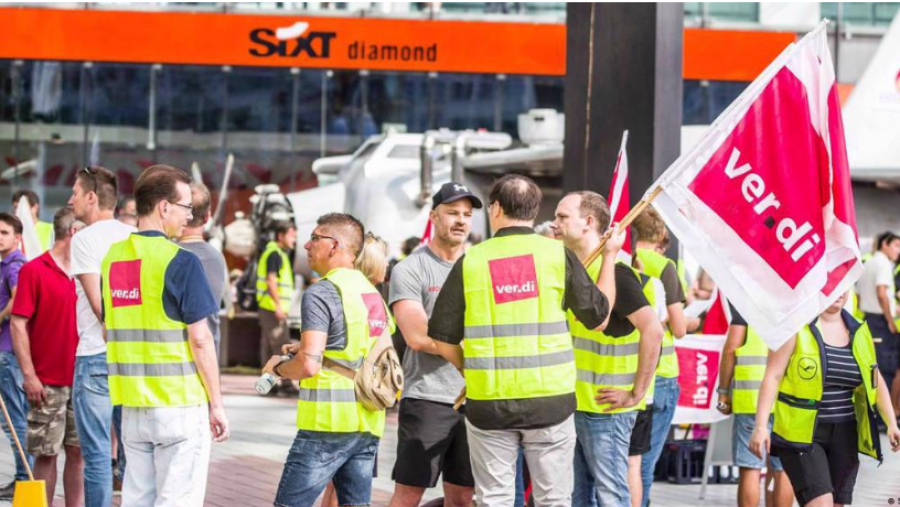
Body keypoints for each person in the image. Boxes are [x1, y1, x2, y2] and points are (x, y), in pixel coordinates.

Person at [428, 175, 625, 507]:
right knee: (553, 499)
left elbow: (442, 336)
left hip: (489, 402)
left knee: (494, 499)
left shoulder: (473, 260)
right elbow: (600, 318)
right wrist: (609, 257)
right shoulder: (556, 255)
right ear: (534, 212)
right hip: (550, 403)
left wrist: (469, 370)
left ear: (495, 209)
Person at [102, 164, 228, 506]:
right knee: (178, 499)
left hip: (133, 403)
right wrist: (216, 404)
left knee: (137, 497)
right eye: (186, 207)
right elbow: (200, 339)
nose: (188, 216)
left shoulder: (112, 260)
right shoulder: (181, 261)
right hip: (179, 403)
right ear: (164, 207)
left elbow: (109, 326)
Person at [263, 213, 393, 507]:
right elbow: (362, 345)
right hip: (368, 421)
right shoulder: (370, 293)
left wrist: (278, 368)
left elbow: (308, 365)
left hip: (327, 422)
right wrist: (307, 346)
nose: (307, 245)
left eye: (315, 238)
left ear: (334, 245)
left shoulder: (322, 291)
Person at [552, 191, 663, 507]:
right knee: (580, 496)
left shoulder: (617, 272)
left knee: (612, 495)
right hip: (579, 404)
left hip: (606, 409)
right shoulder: (580, 267)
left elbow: (653, 331)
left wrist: (636, 393)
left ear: (588, 223)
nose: (555, 223)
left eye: (562, 216)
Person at [750, 292, 900, 507]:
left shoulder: (859, 330)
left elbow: (875, 380)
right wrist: (760, 426)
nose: (837, 292)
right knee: (820, 503)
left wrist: (891, 423)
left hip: (844, 436)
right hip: (802, 435)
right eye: (830, 284)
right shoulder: (796, 327)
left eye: (842, 285)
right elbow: (772, 376)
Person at [388, 183, 481, 507]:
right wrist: (473, 354)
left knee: (463, 497)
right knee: (409, 494)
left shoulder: (480, 268)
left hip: (475, 399)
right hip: (428, 398)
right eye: (452, 213)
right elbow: (418, 336)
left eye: (467, 215)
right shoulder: (411, 268)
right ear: (433, 217)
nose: (461, 221)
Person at [68, 165, 136, 507]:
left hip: (96, 355)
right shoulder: (133, 236)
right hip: (135, 357)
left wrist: (112, 325)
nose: (71, 199)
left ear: (92, 197)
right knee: (135, 454)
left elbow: (100, 307)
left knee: (96, 456)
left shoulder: (84, 239)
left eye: (76, 193)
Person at [11, 208, 85, 506]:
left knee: (78, 453)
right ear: (75, 233)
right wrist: (29, 375)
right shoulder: (34, 270)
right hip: (46, 382)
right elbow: (18, 324)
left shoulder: (89, 272)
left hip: (83, 380)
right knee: (46, 453)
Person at [632, 208, 696, 506]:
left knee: (624, 458)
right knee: (643, 462)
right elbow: (680, 328)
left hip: (626, 370)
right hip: (662, 374)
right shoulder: (664, 266)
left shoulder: (621, 262)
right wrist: (692, 321)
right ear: (660, 235)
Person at [716, 303, 793, 507]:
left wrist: (723, 391)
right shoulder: (794, 305)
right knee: (783, 469)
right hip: (786, 399)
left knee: (750, 468)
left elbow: (731, 348)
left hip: (751, 398)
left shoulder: (747, 304)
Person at [0, 212, 32, 500]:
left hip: (8, 349)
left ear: (18, 237)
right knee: (8, 417)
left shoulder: (15, 264)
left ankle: (25, 478)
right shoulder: (4, 263)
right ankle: (22, 476)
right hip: (4, 350)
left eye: (4, 232)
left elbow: (16, 298)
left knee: (13, 417)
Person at [178, 182, 228, 355]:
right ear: (207, 217)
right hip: (208, 355)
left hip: (173, 356)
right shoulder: (216, 258)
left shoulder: (167, 254)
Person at [855, 231, 900, 416]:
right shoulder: (882, 263)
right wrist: (890, 320)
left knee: (873, 367)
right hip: (880, 322)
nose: (898, 250)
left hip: (868, 319)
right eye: (896, 245)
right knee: (886, 369)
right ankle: (884, 417)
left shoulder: (870, 261)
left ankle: (874, 414)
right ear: (885, 245)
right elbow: (882, 292)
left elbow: (859, 294)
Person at [257, 221, 298, 396]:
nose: (294, 240)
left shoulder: (276, 253)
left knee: (269, 346)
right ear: (280, 236)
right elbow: (271, 280)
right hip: (272, 307)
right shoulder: (275, 254)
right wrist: (279, 306)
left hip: (269, 307)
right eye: (291, 235)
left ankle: (268, 385)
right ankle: (286, 384)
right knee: (282, 345)